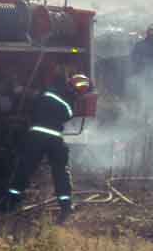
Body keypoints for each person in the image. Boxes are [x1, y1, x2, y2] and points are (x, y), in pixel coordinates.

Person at [6, 73, 92, 222]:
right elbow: (67, 116)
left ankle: (11, 202)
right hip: (54, 139)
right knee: (60, 172)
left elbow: (34, 103)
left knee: (25, 168)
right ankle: (66, 207)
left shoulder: (49, 91)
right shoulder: (70, 102)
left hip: (36, 137)